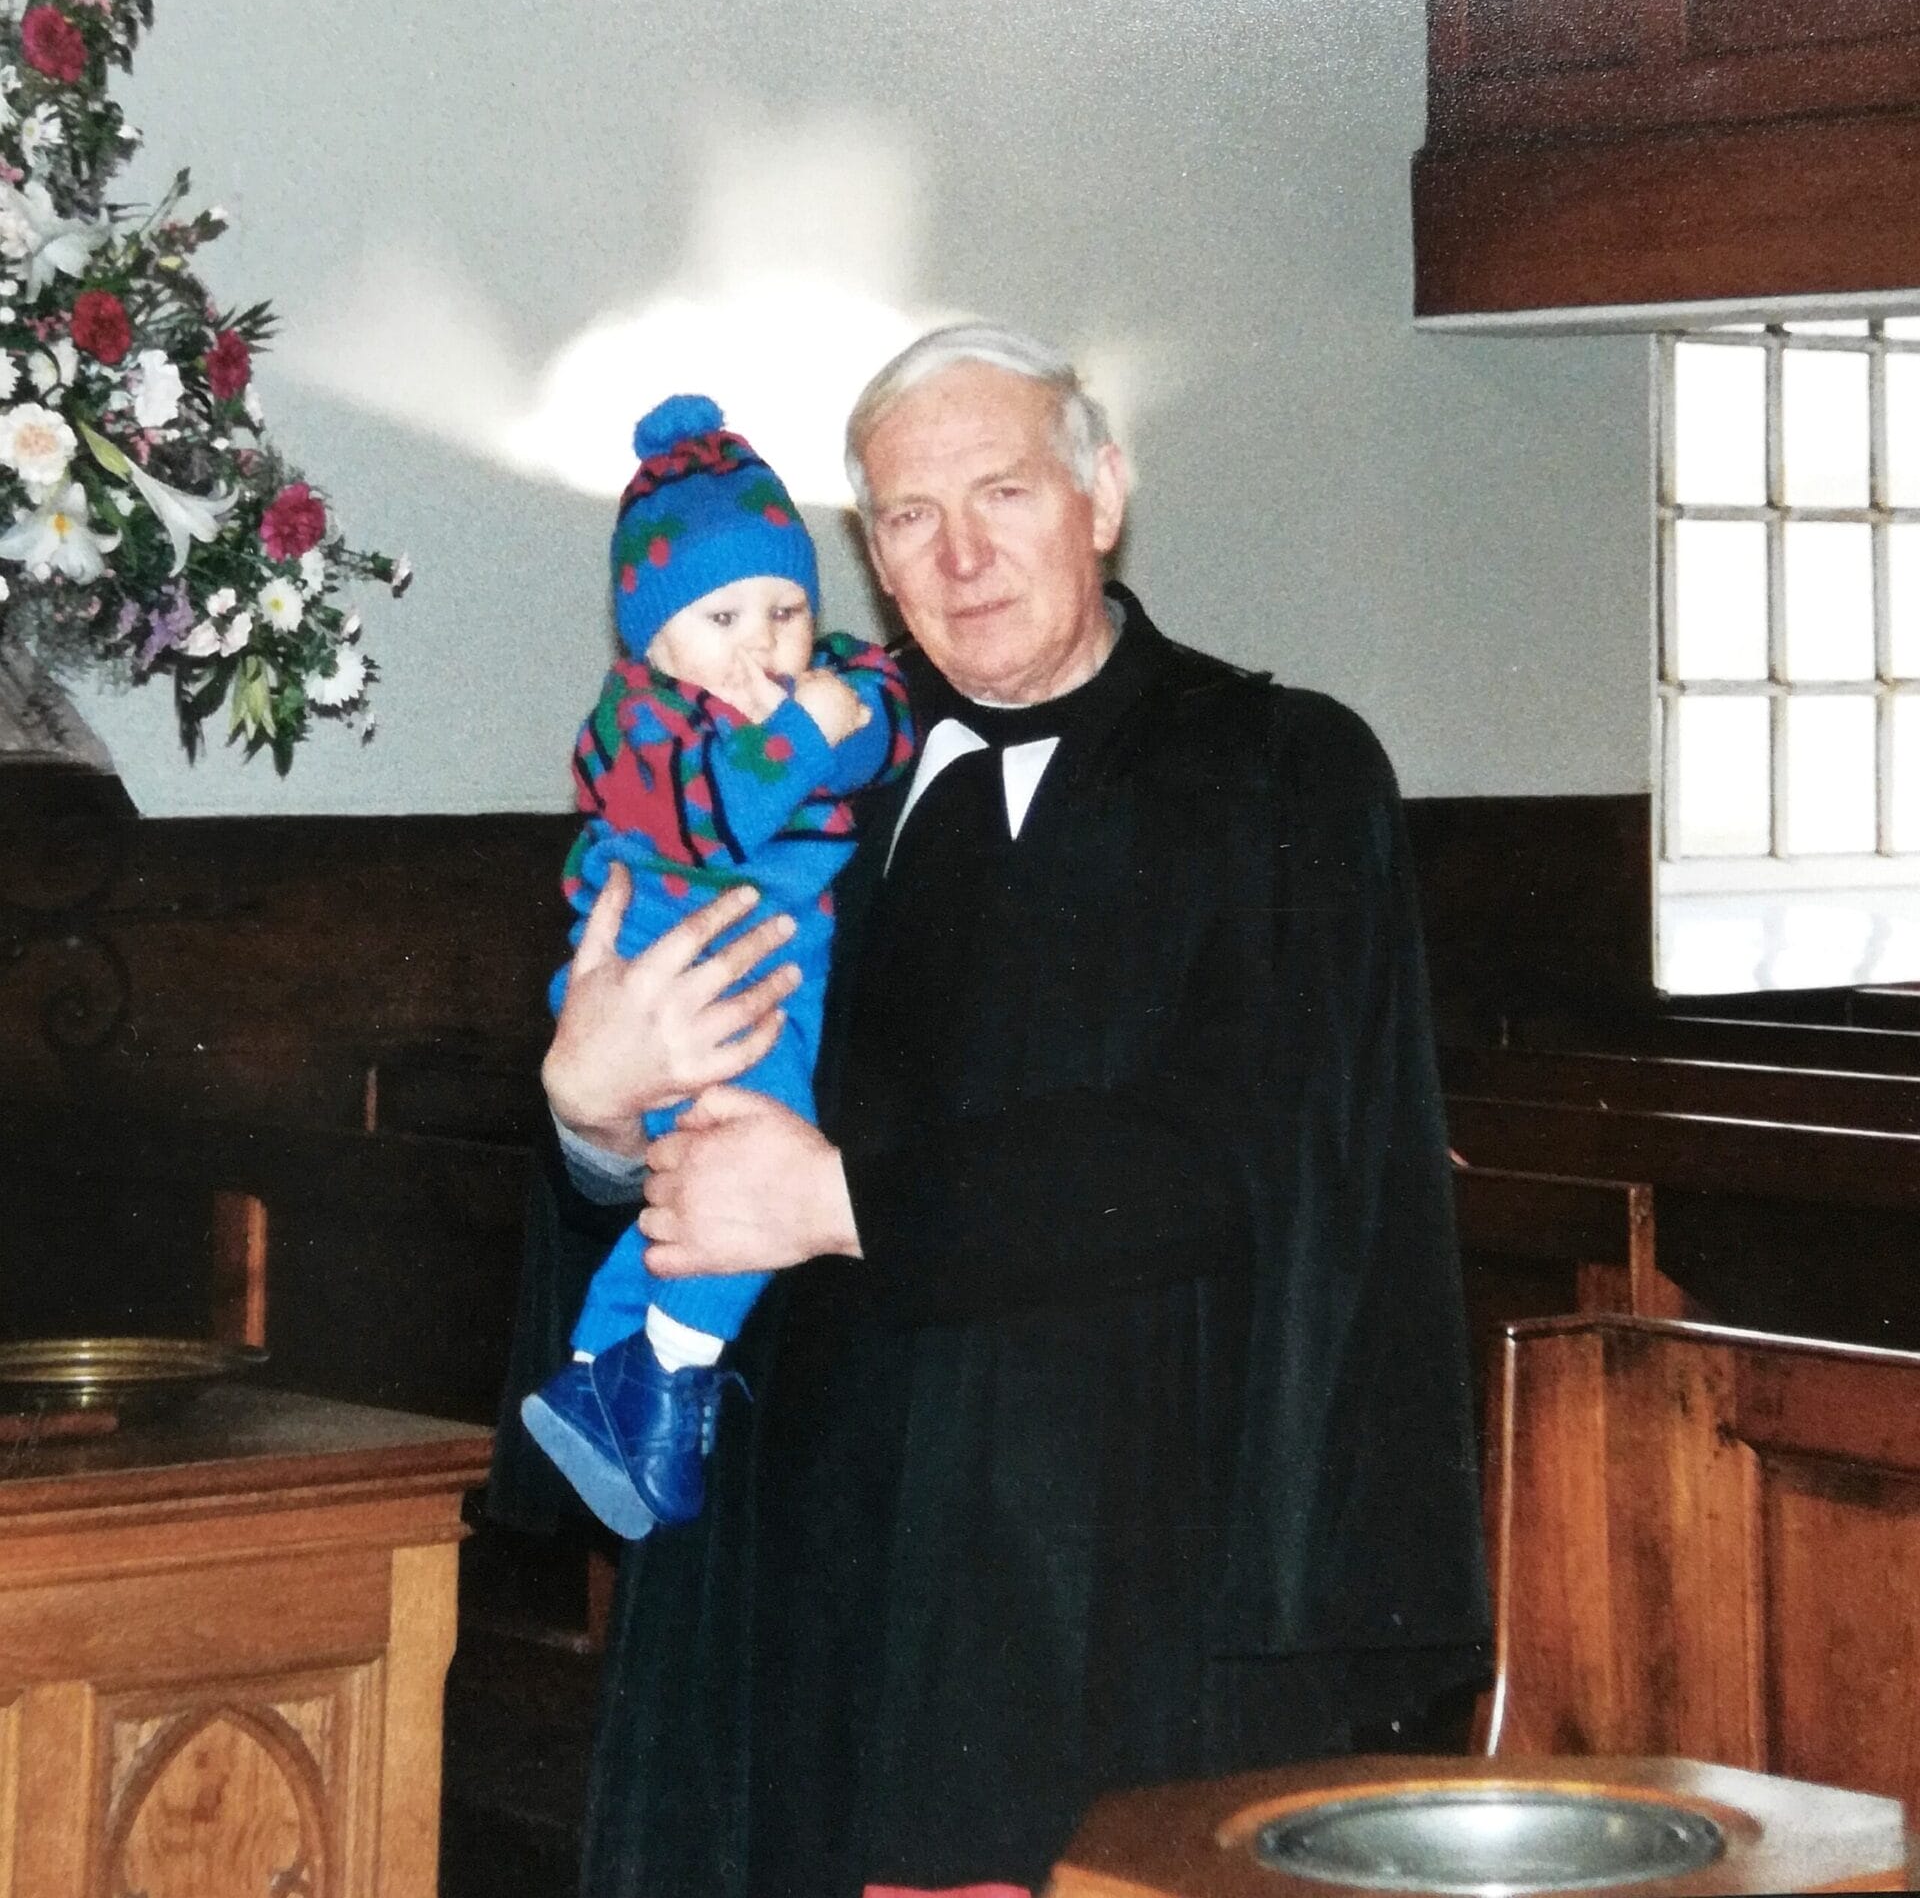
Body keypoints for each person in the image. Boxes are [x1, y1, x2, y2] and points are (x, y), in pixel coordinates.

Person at [503, 322, 1490, 1897]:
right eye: (906, 518)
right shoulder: (806, 779)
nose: (957, 559)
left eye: (1005, 494)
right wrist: (590, 1120)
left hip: (1122, 1568)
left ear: (1102, 495)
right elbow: (659, 1118)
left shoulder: (1277, 770)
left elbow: (1249, 1152)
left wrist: (845, 1203)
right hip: (804, 1580)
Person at [520, 392, 913, 1540]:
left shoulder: (822, 676)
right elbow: (725, 807)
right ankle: (671, 1376)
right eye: (722, 616)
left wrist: (852, 701)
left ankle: (601, 1364)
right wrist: (817, 721)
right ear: (650, 641)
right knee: (746, 1153)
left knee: (696, 1175)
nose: (761, 649)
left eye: (787, 611)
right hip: (664, 965)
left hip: (754, 972)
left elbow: (893, 709)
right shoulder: (634, 723)